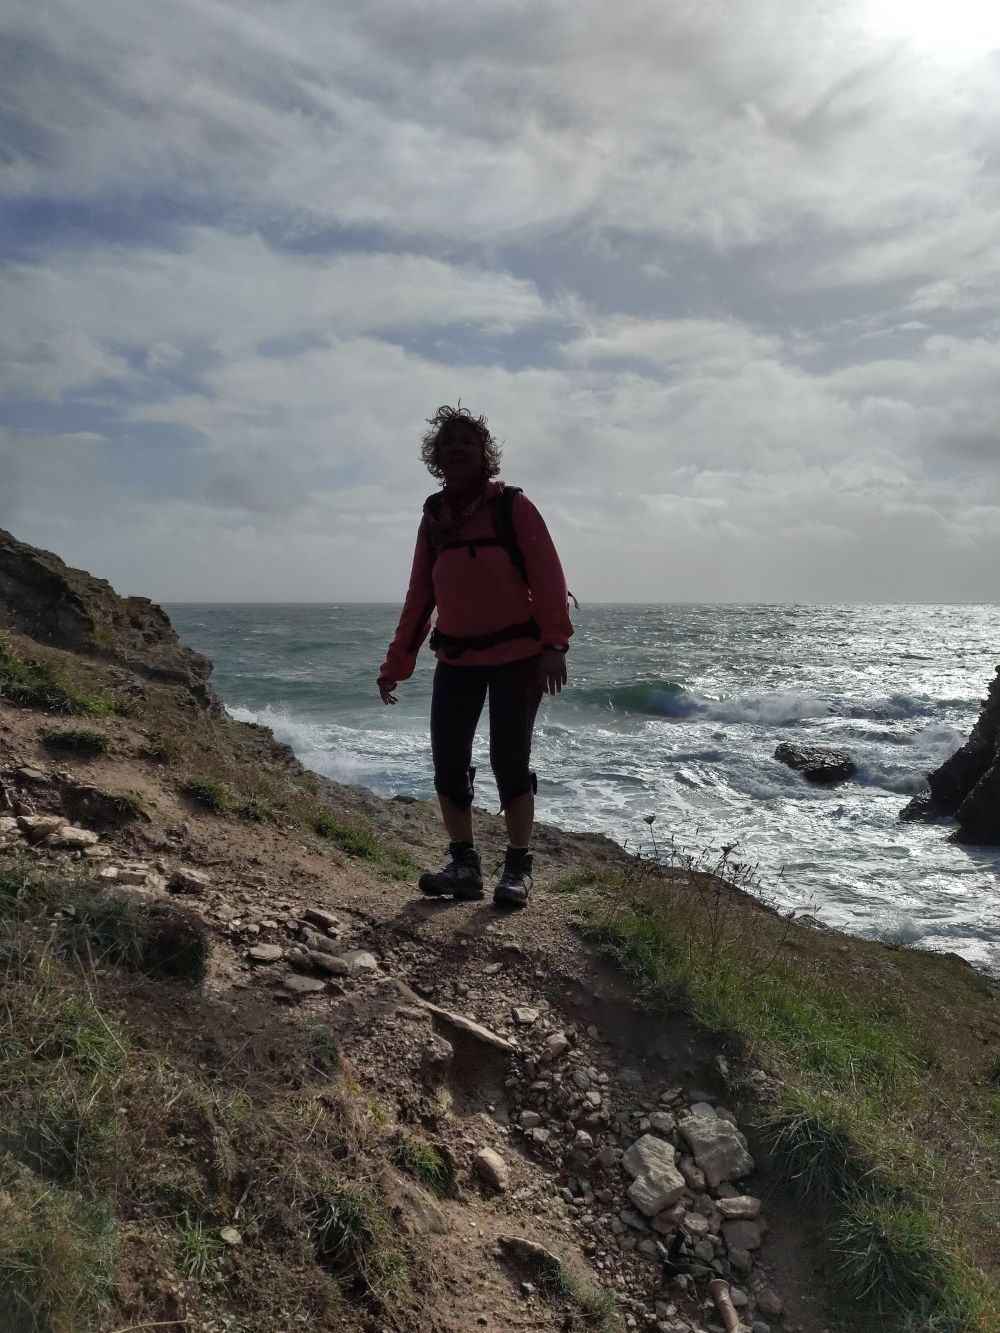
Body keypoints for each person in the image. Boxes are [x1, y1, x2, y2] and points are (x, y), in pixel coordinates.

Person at [377, 405, 573, 909]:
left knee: (509, 760)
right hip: (457, 660)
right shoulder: (433, 519)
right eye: (448, 443)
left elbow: (549, 577)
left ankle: (518, 866)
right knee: (448, 762)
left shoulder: (512, 506)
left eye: (467, 441)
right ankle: (463, 865)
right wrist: (397, 664)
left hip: (518, 658)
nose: (457, 449)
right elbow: (421, 595)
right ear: (436, 457)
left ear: (485, 453)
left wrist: (555, 646)